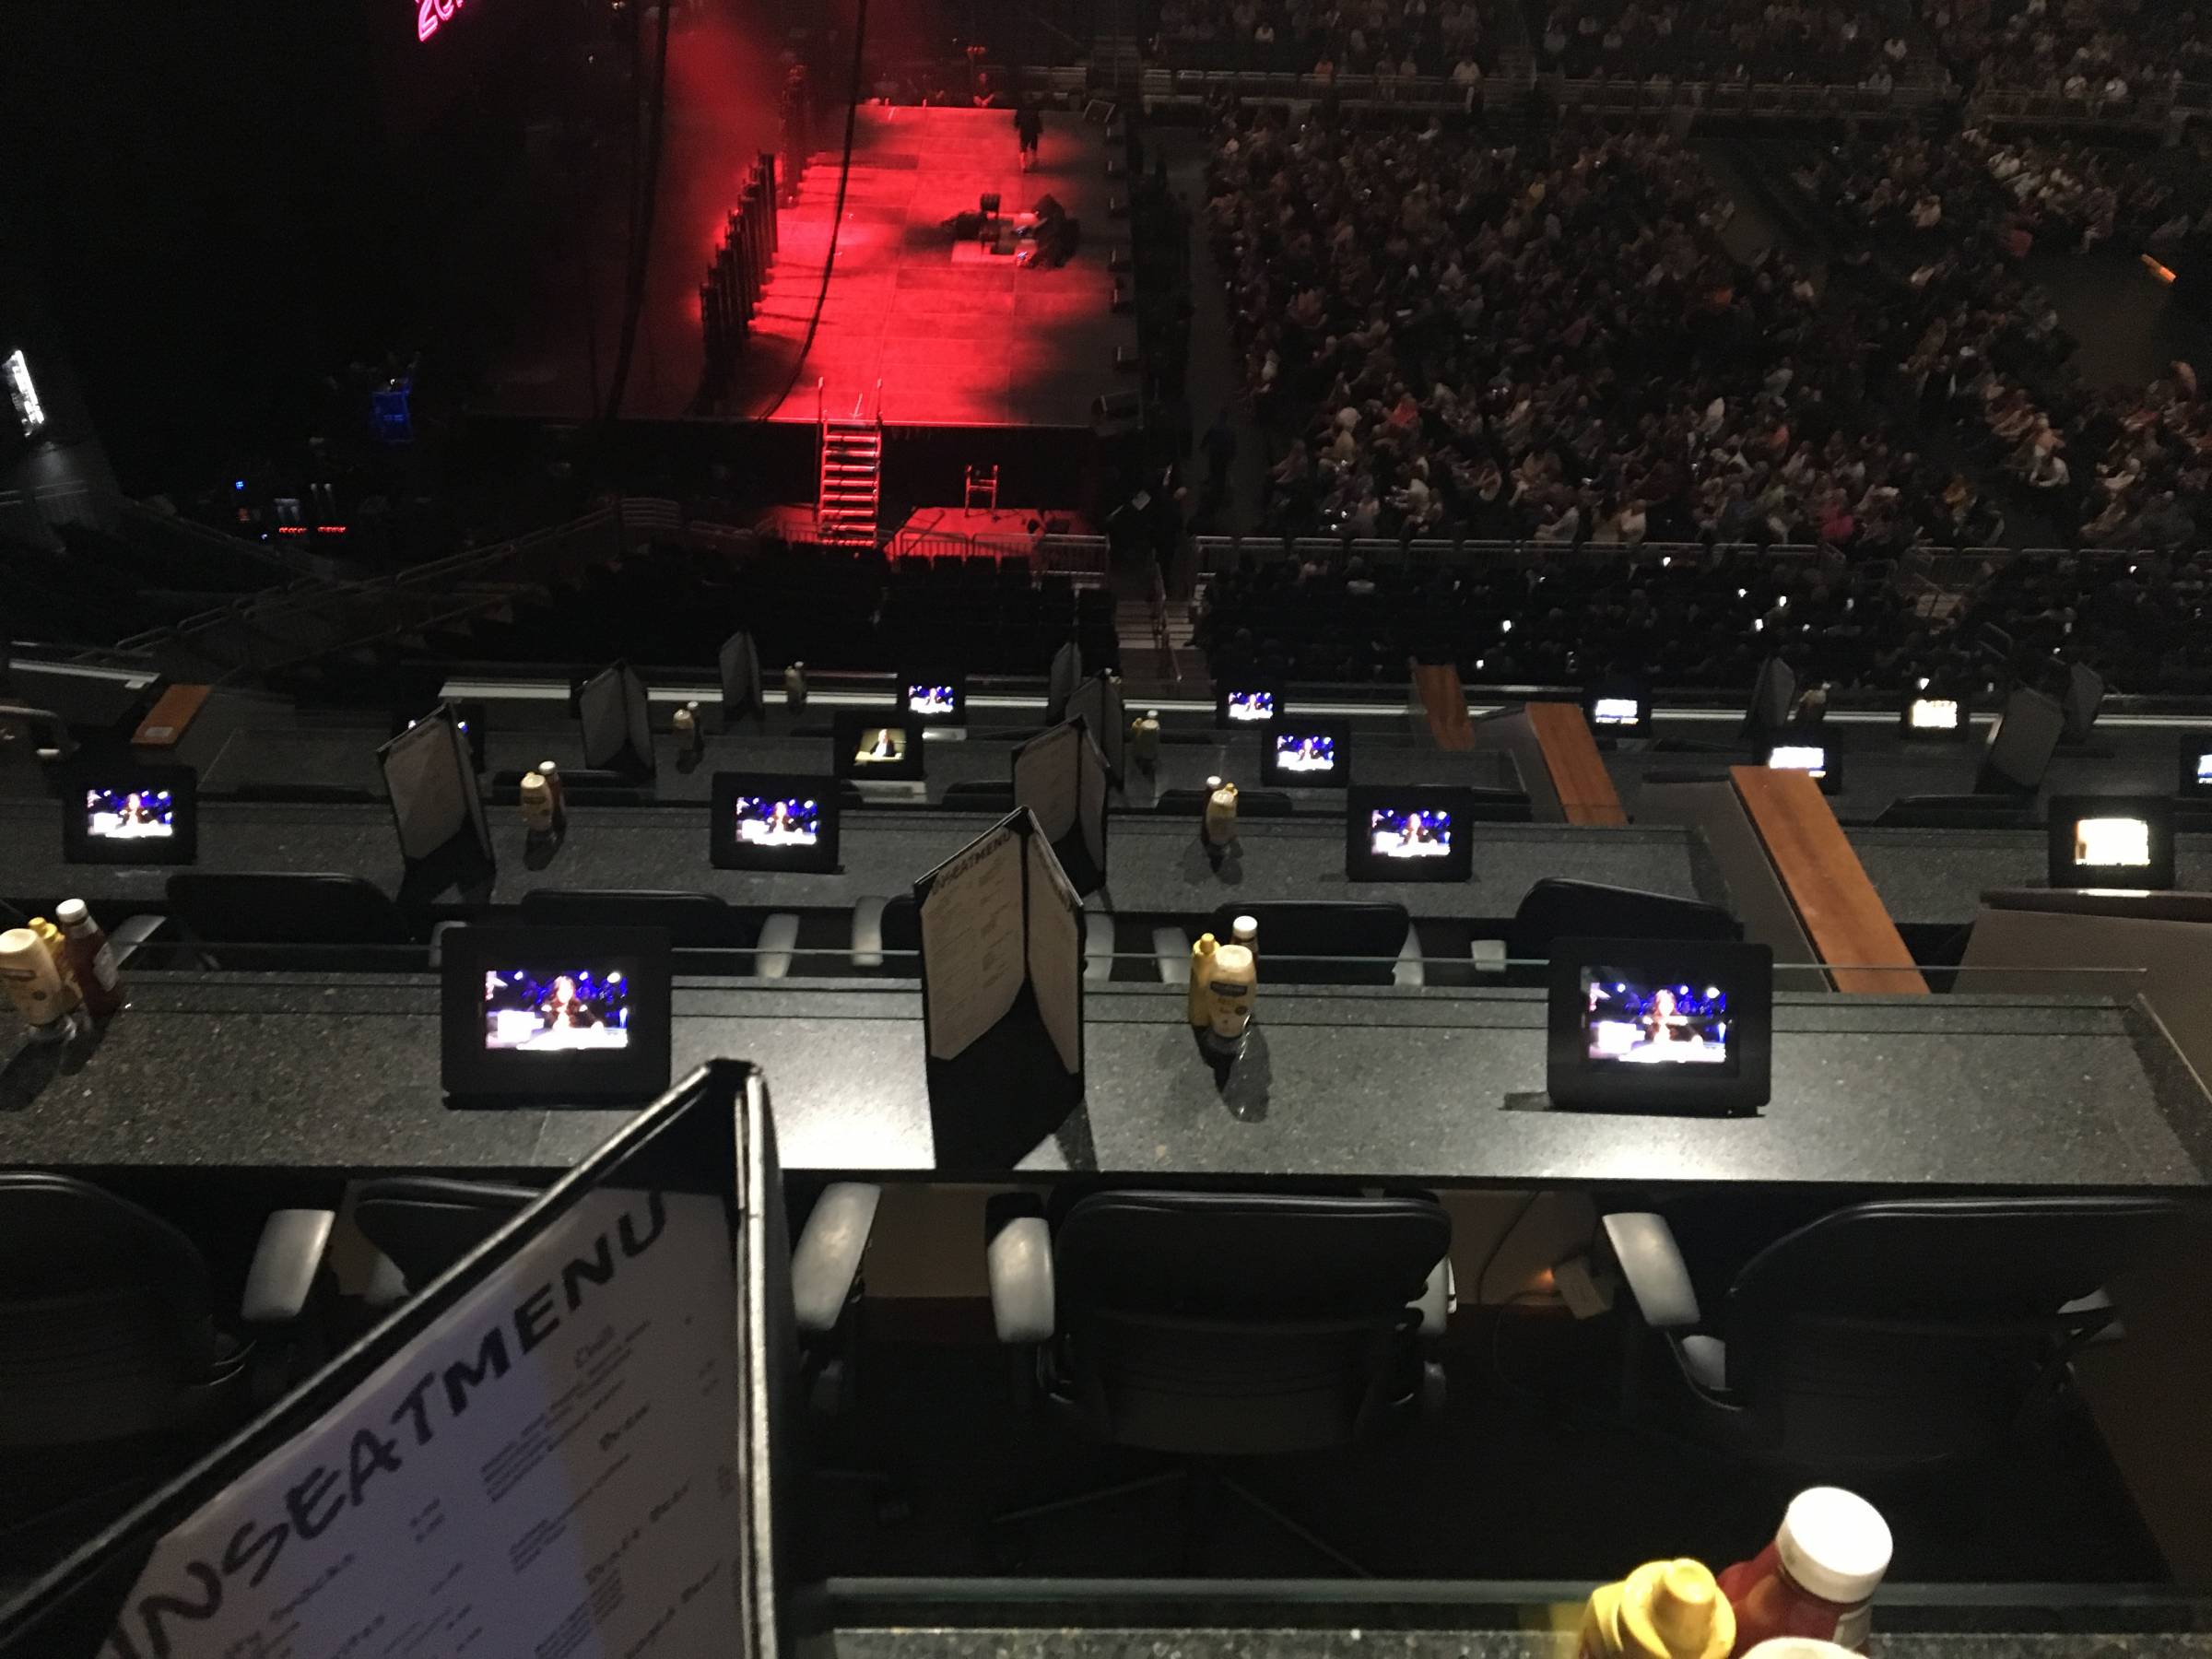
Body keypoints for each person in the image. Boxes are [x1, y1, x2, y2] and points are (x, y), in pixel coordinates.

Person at [1015, 100, 1043, 171]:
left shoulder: (1021, 109)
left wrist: (1016, 126)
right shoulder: (1034, 110)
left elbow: (1017, 119)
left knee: (1023, 147)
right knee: (1033, 147)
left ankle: (1023, 165)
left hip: (1024, 130)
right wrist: (1039, 129)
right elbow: (1037, 120)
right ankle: (1034, 160)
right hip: (1033, 130)